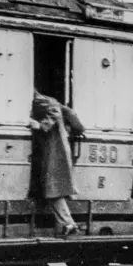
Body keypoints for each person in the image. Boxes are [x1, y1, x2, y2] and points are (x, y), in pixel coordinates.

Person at [29, 90, 85, 238]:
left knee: (53, 189)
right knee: (53, 188)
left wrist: (41, 125)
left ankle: (69, 224)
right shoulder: (49, 100)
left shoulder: (38, 98)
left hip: (54, 150)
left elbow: (53, 110)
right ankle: (68, 223)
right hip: (56, 149)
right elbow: (71, 115)